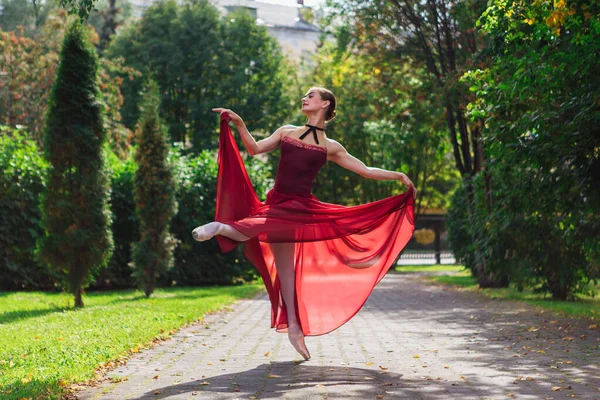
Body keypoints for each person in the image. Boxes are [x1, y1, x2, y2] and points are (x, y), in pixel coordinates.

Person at [192, 87, 416, 361]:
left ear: (324, 104)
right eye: (305, 95)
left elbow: (366, 171)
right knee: (282, 267)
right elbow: (254, 149)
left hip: (300, 209)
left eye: (311, 96)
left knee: (283, 271)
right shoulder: (286, 131)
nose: (304, 98)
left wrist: (399, 175)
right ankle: (222, 228)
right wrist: (239, 123)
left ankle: (294, 328)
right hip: (277, 204)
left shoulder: (331, 147)